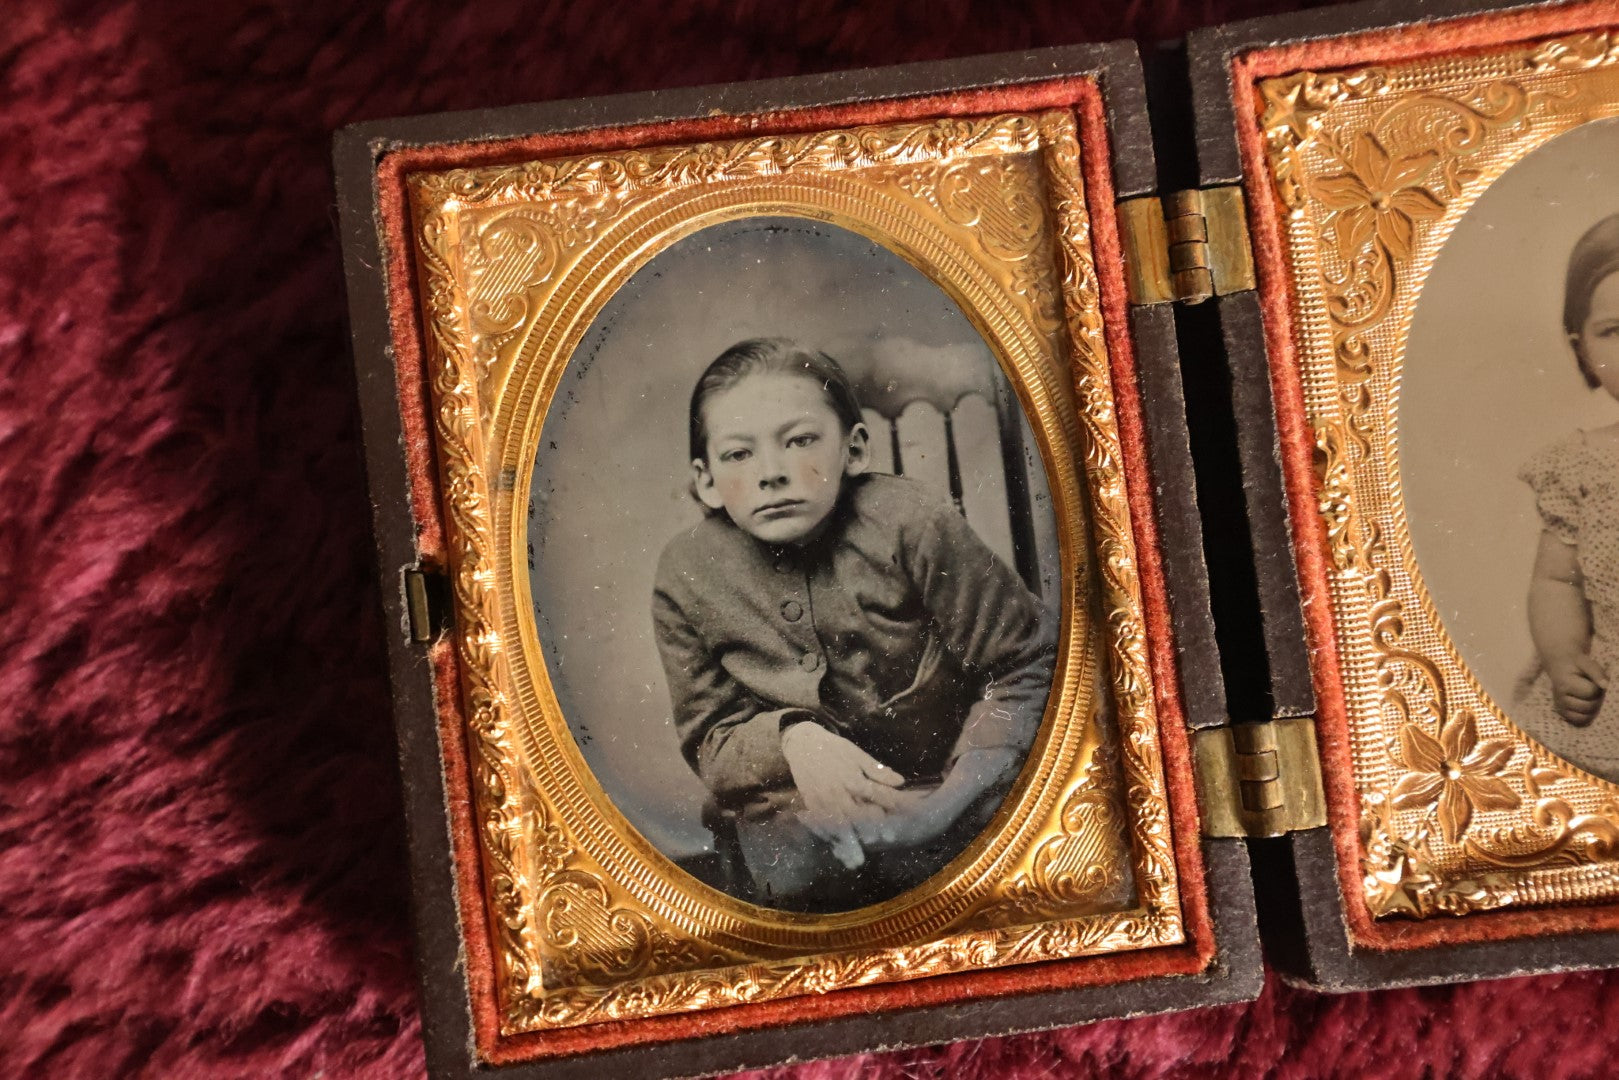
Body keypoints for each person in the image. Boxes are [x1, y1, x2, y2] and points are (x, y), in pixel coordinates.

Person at [652, 337, 1056, 912]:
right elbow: (712, 740)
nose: (772, 473)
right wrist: (796, 742)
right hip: (789, 826)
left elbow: (1028, 663)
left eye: (800, 441)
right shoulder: (686, 571)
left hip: (949, 795)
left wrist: (949, 801)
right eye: (739, 455)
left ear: (855, 449)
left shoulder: (913, 523)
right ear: (707, 480)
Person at [1516, 214, 1619, 781]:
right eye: (1616, 331)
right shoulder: (1580, 465)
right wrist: (1562, 660)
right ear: (1581, 349)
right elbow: (1556, 581)